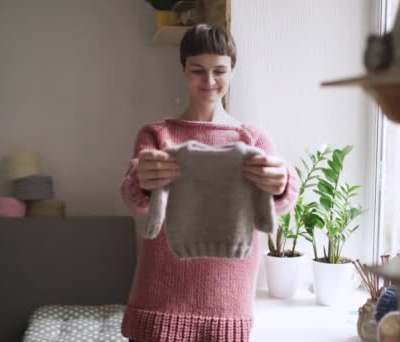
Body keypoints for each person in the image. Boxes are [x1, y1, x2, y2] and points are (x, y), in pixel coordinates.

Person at [120, 23, 299, 342]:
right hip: (159, 294)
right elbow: (138, 201)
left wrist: (282, 181)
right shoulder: (158, 135)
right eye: (197, 70)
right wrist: (142, 180)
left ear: (232, 71)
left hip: (227, 301)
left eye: (220, 70)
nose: (209, 81)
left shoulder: (252, 139)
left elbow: (277, 206)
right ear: (183, 69)